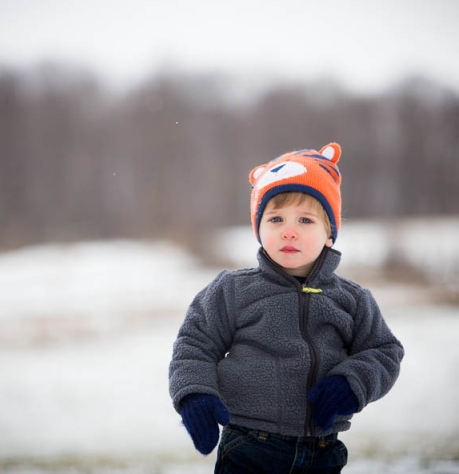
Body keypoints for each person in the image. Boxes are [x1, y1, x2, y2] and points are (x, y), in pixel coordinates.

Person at [168, 143, 404, 473]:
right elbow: (194, 346)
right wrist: (196, 396)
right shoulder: (233, 290)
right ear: (259, 228)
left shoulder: (352, 299)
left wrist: (352, 383)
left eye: (305, 220)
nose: (288, 231)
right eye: (276, 218)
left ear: (329, 234)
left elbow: (384, 350)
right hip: (250, 445)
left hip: (323, 449)